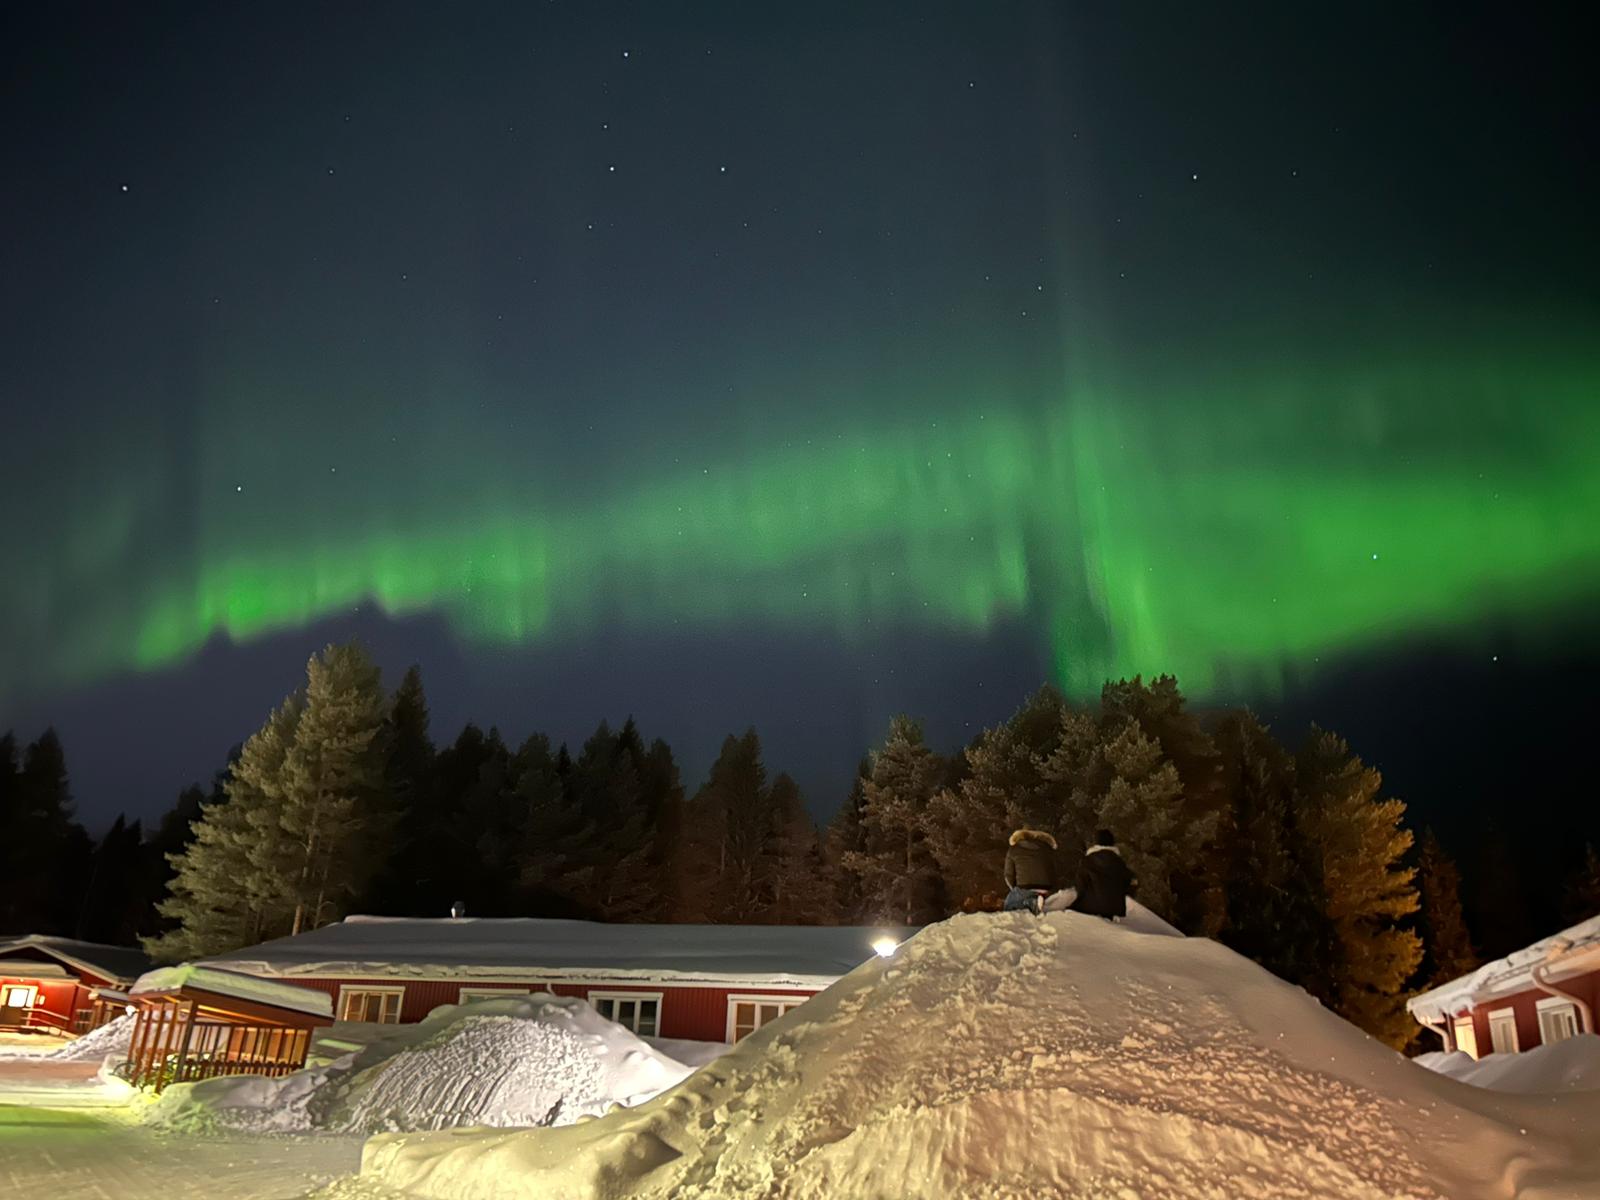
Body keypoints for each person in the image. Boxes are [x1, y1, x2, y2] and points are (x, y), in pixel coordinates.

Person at [1070, 829, 1136, 919]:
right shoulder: (1119, 863)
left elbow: (1080, 885)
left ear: (1096, 843)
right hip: (1114, 909)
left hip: (1089, 908)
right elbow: (1129, 883)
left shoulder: (1088, 861)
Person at [1003, 828, 1059, 914]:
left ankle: (1033, 902)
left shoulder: (1014, 849)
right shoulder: (1048, 849)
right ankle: (1037, 903)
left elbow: (1008, 875)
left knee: (1009, 905)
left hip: (1025, 886)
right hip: (1046, 888)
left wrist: (1014, 888)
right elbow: (1054, 871)